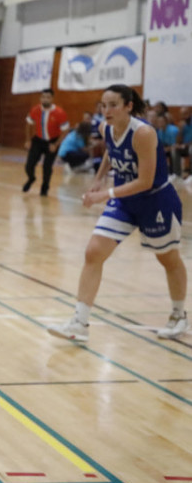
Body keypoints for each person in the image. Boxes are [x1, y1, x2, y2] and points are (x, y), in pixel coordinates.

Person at [46, 85, 188, 343]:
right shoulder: (105, 128)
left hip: (155, 200)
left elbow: (145, 181)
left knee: (168, 259)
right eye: (103, 105)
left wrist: (105, 194)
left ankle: (179, 315)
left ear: (128, 106)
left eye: (113, 105)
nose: (106, 110)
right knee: (94, 252)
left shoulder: (143, 133)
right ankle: (80, 322)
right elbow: (111, 151)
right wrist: (99, 179)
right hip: (124, 201)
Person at [22, 88, 69, 196]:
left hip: (52, 142)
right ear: (40, 98)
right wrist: (28, 140)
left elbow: (65, 130)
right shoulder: (35, 110)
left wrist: (56, 144)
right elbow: (28, 124)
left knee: (47, 167)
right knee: (29, 165)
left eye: (48, 97)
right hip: (38, 141)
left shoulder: (59, 113)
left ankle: (45, 188)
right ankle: (31, 178)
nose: (45, 99)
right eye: (43, 97)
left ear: (52, 99)